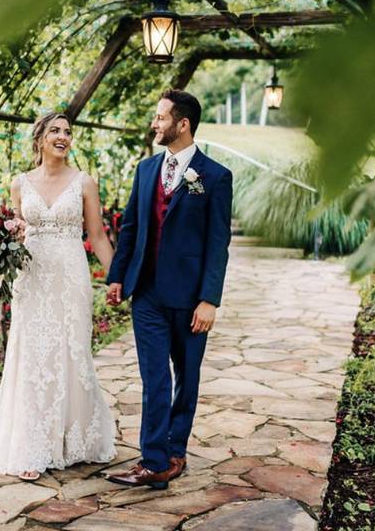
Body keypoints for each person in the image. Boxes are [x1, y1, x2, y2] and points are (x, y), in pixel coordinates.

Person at [105, 89, 233, 490]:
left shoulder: (215, 176)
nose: (154, 124)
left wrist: (210, 299)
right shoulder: (145, 171)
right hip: (147, 296)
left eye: (160, 118)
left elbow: (218, 242)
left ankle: (176, 449)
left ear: (182, 124)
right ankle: (154, 461)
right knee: (155, 378)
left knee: (187, 377)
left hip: (192, 298)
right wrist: (117, 277)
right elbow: (130, 228)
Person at [0, 112, 117, 481]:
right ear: (40, 138)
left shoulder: (84, 183)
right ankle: (32, 445)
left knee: (71, 351)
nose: (63, 137)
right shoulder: (20, 184)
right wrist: (0, 247)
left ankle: (73, 440)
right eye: (55, 131)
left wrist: (116, 278)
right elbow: (15, 233)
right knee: (32, 354)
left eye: (67, 132)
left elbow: (96, 235)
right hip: (31, 279)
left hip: (70, 276)